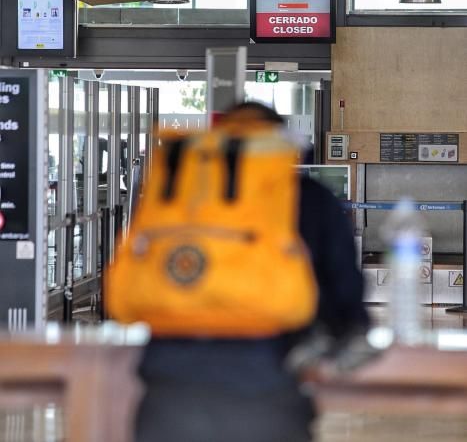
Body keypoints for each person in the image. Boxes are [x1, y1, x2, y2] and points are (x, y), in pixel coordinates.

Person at [135, 101, 368, 442]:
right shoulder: (310, 198)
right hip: (267, 388)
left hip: (168, 389)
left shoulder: (181, 199)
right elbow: (345, 298)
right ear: (282, 143)